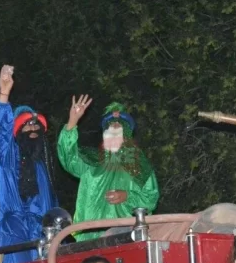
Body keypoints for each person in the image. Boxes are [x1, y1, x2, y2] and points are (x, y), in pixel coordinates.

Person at [57, 95, 159, 241]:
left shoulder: (139, 165)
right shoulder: (91, 162)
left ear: (126, 137)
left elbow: (151, 198)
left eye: (117, 131)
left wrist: (127, 196)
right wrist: (72, 121)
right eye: (108, 131)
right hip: (89, 239)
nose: (112, 135)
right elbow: (68, 157)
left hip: (125, 238)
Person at [0, 65, 59, 263]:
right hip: (14, 231)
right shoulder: (8, 155)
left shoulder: (42, 168)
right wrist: (4, 94)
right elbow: (0, 133)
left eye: (37, 126)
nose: (33, 128)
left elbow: (52, 206)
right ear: (17, 131)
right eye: (27, 125)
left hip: (42, 233)